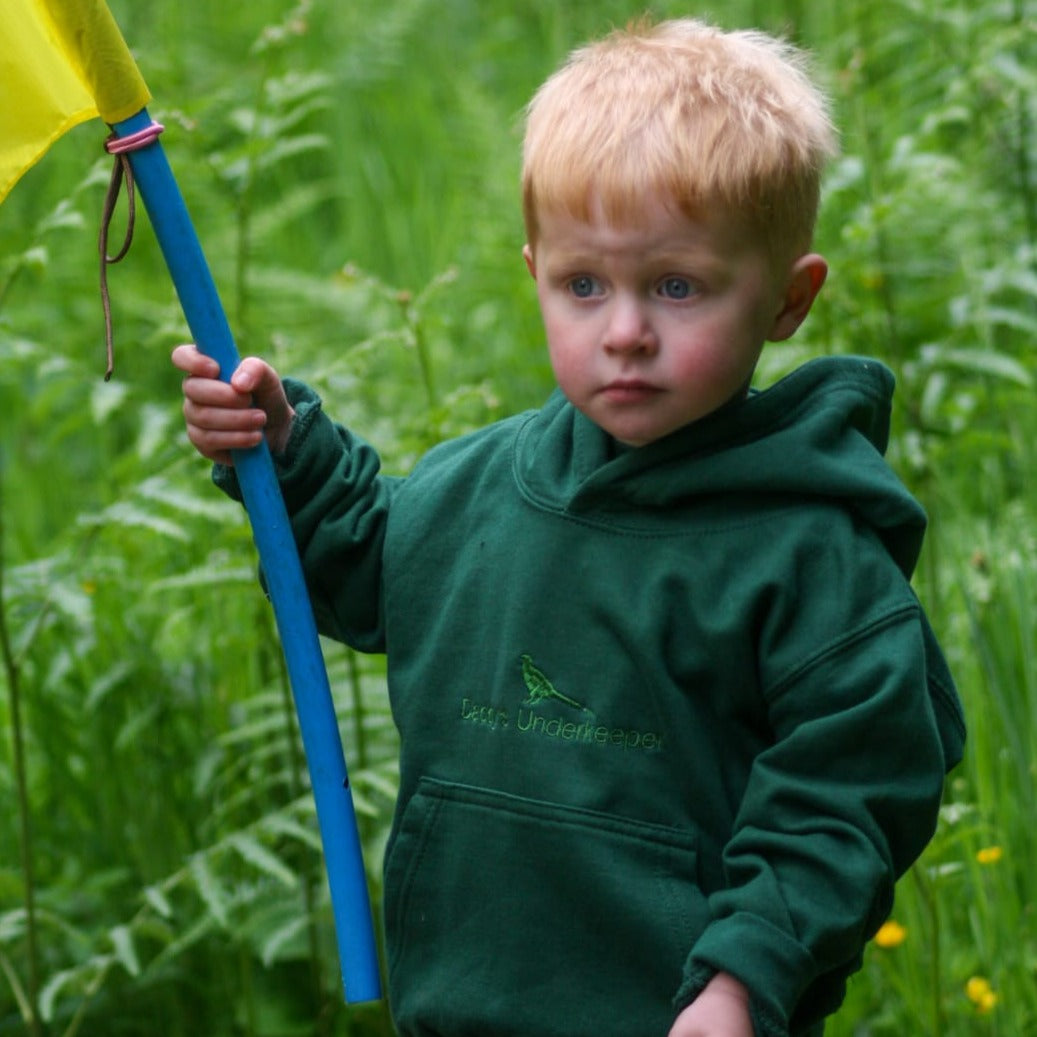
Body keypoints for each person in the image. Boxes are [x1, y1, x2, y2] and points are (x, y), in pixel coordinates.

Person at [173, 17, 965, 1037]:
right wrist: (282, 452)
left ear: (786, 299)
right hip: (454, 1007)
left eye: (676, 285)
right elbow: (366, 560)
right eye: (583, 283)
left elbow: (849, 794)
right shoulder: (475, 491)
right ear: (534, 267)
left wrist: (738, 981)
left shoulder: (809, 556)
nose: (624, 330)